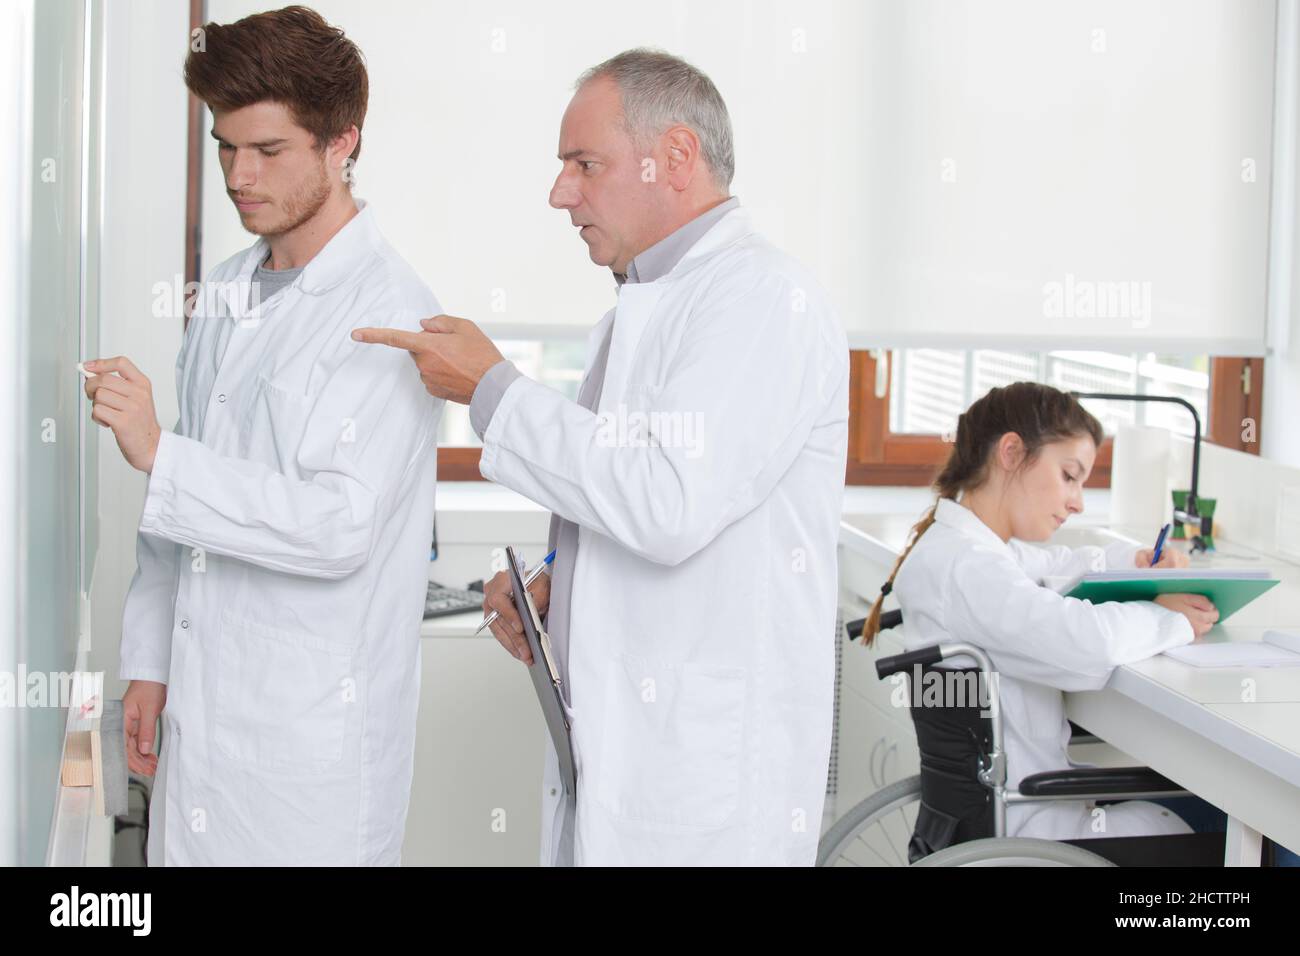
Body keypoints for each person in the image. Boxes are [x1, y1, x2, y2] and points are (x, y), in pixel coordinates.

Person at [354, 49, 850, 865]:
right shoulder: (648, 305)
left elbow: (668, 501)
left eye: (585, 165)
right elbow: (640, 498)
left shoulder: (763, 299)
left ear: (677, 157)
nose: (560, 193)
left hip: (703, 790)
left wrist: (492, 389)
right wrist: (566, 588)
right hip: (630, 758)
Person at [85, 5, 441, 864]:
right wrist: (148, 656)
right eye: (224, 146)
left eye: (269, 151)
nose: (239, 176)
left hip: (307, 749)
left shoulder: (392, 312)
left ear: (341, 143)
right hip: (202, 712)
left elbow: (337, 526)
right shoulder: (231, 288)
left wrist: (161, 453)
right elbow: (180, 515)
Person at [861, 382, 1218, 846]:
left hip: (997, 817)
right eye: (1070, 475)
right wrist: (1169, 619)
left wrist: (1133, 564)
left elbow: (1053, 571)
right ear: (1012, 452)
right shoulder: (969, 569)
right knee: (1242, 817)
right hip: (1037, 831)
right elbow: (1087, 645)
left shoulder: (960, 551)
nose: (1078, 501)